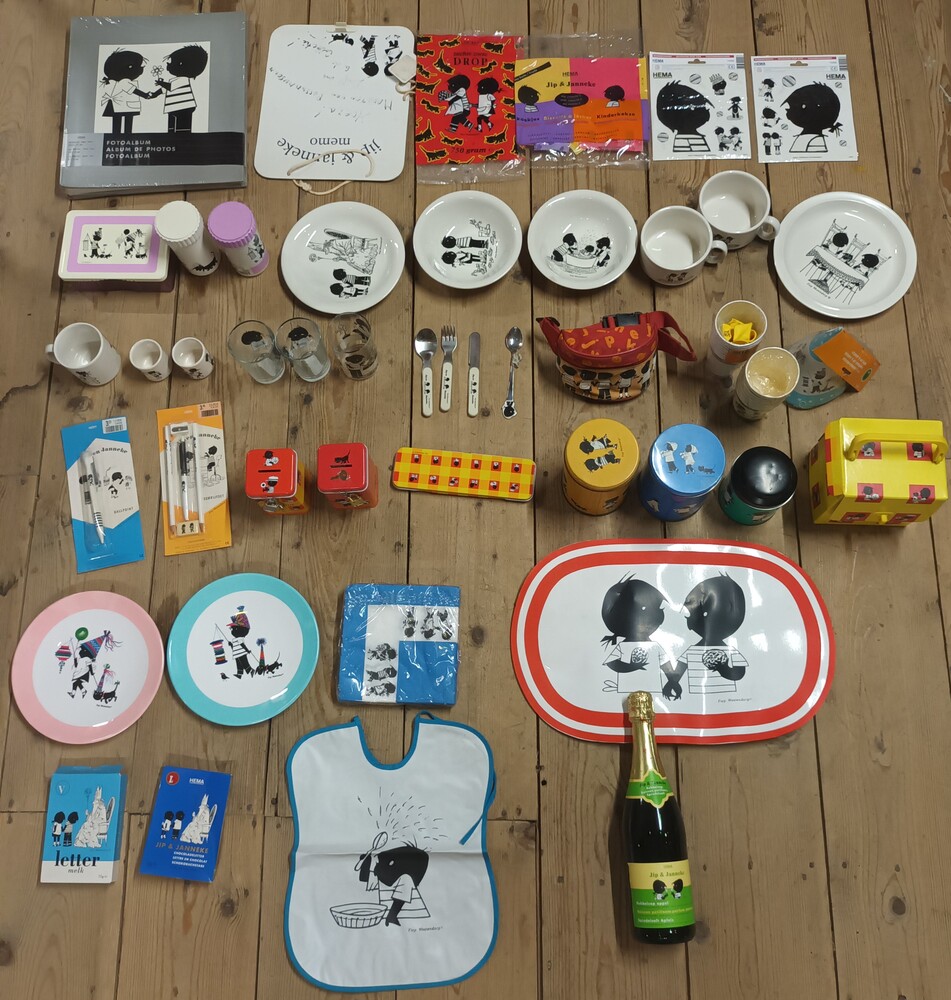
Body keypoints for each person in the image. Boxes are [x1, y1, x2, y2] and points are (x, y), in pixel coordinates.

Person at [100, 49, 159, 135]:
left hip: (122, 105)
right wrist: (145, 95)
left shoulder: (120, 82)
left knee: (119, 122)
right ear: (130, 67)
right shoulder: (124, 81)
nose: (141, 69)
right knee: (126, 122)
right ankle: (124, 136)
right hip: (123, 105)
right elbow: (133, 90)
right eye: (139, 66)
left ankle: (118, 136)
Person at [153, 44, 209, 133]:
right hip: (174, 106)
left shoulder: (183, 79)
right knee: (172, 127)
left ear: (181, 64)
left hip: (184, 106)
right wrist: (154, 94)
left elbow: (170, 87)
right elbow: (166, 89)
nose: (168, 64)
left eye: (171, 62)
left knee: (182, 128)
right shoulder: (174, 80)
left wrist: (161, 83)